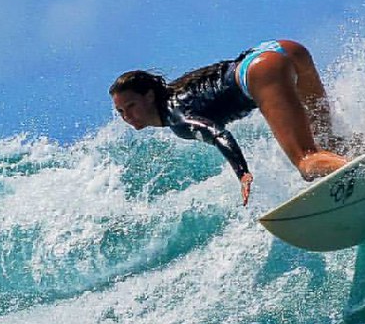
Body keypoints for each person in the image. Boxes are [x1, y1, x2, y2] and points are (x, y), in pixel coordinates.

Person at [109, 39, 347, 206]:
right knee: (327, 142)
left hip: (261, 71)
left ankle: (363, 169)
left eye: (130, 106)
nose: (127, 116)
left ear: (149, 96)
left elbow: (216, 133)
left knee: (307, 161)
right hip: (283, 49)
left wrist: (242, 172)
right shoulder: (179, 91)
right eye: (120, 111)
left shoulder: (175, 117)